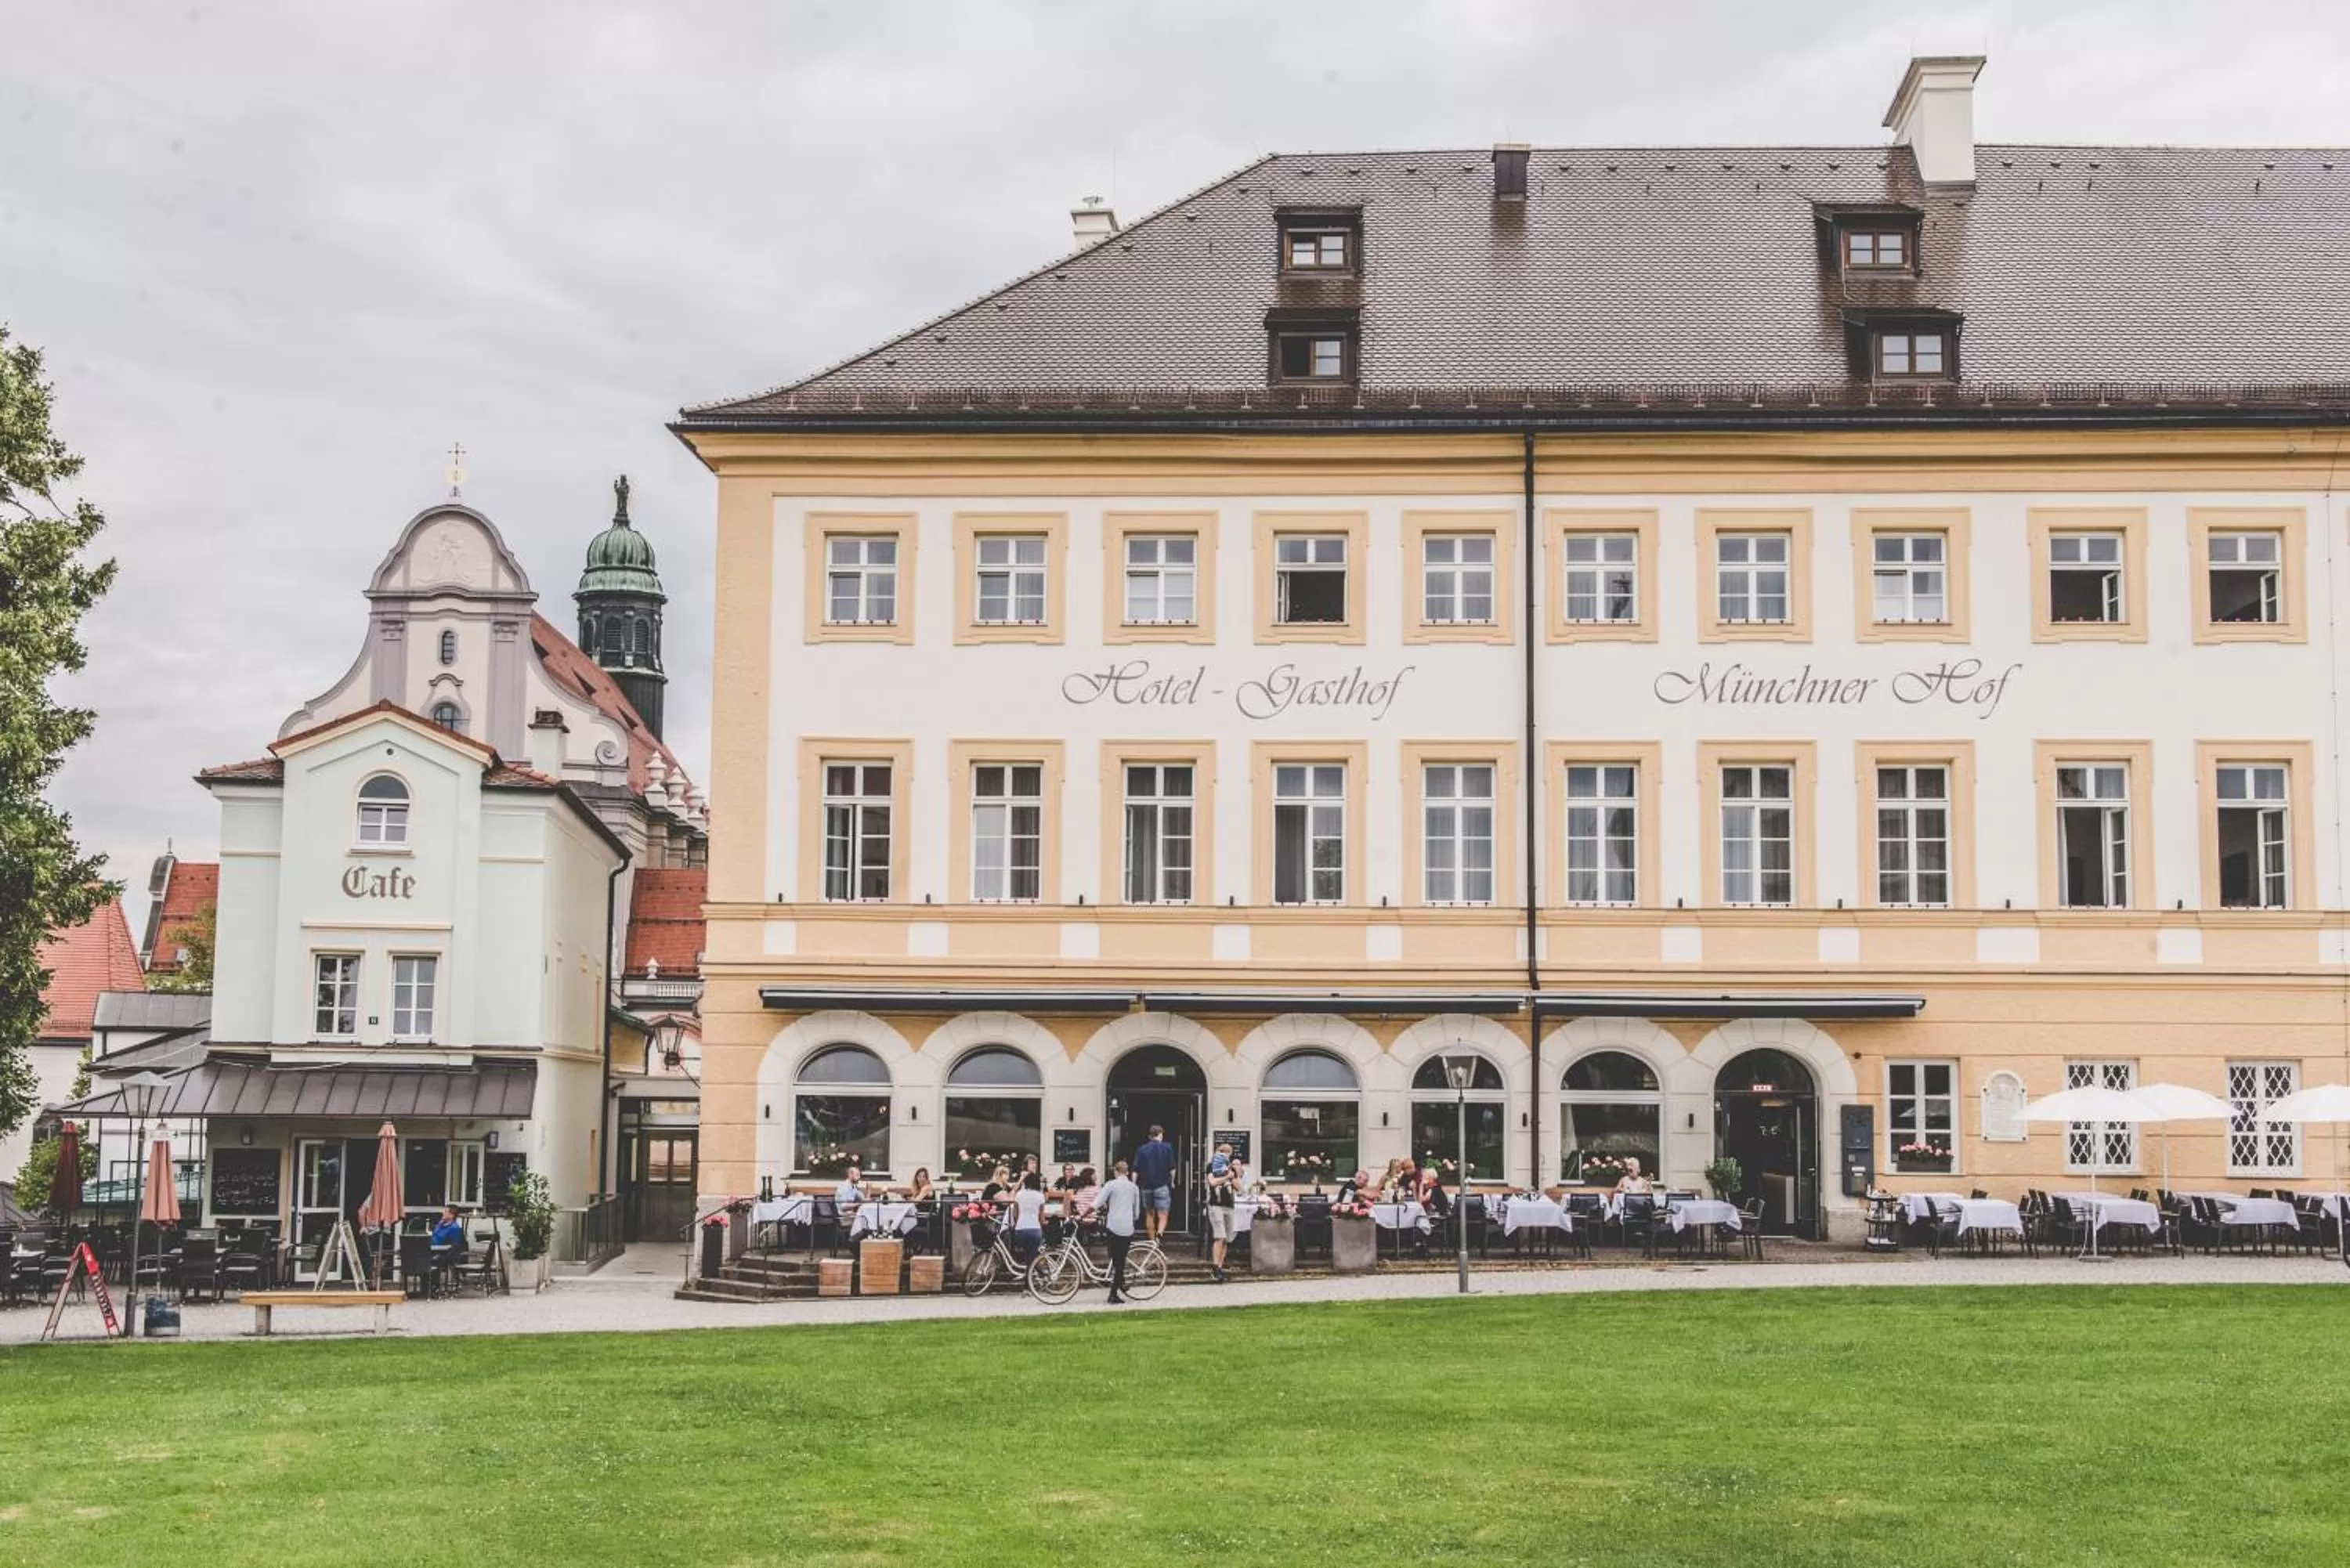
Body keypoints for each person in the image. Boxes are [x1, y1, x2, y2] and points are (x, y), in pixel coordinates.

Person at [1097, 1159, 1141, 1303]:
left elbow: (1098, 1203)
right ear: (1127, 1172)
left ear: (1115, 1171)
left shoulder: (1111, 1185)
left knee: (1116, 1259)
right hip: (1127, 1227)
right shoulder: (1134, 1188)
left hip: (1113, 1225)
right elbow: (1137, 1212)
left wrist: (1084, 1213)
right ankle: (1119, 1283)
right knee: (1120, 1259)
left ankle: (1113, 1292)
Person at [1131, 1125, 1177, 1241]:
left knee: (1149, 1214)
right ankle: (1160, 1233)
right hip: (1162, 1185)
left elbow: (1135, 1170)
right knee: (1163, 1214)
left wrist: (1134, 1184)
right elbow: (1172, 1168)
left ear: (1150, 1136)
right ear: (1161, 1134)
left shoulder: (1141, 1149)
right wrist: (1172, 1182)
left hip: (1146, 1186)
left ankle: (1152, 1242)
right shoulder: (1167, 1148)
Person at [1203, 1141, 1238, 1282]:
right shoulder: (1211, 1166)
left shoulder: (1230, 1168)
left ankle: (1220, 1266)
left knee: (1227, 1239)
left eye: (1228, 1152)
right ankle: (1215, 1268)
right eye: (1224, 1152)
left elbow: (1238, 1186)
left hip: (1229, 1205)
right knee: (1220, 1237)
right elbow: (1212, 1182)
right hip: (1216, 1204)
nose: (1226, 1155)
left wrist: (1237, 1173)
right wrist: (1226, 1178)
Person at [1007, 1179, 1047, 1263]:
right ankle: (1032, 1271)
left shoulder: (1019, 1195)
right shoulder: (1040, 1196)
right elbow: (1042, 1218)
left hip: (1020, 1230)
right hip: (1035, 1230)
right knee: (1033, 1254)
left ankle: (1026, 1270)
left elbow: (1015, 1214)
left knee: (1023, 1254)